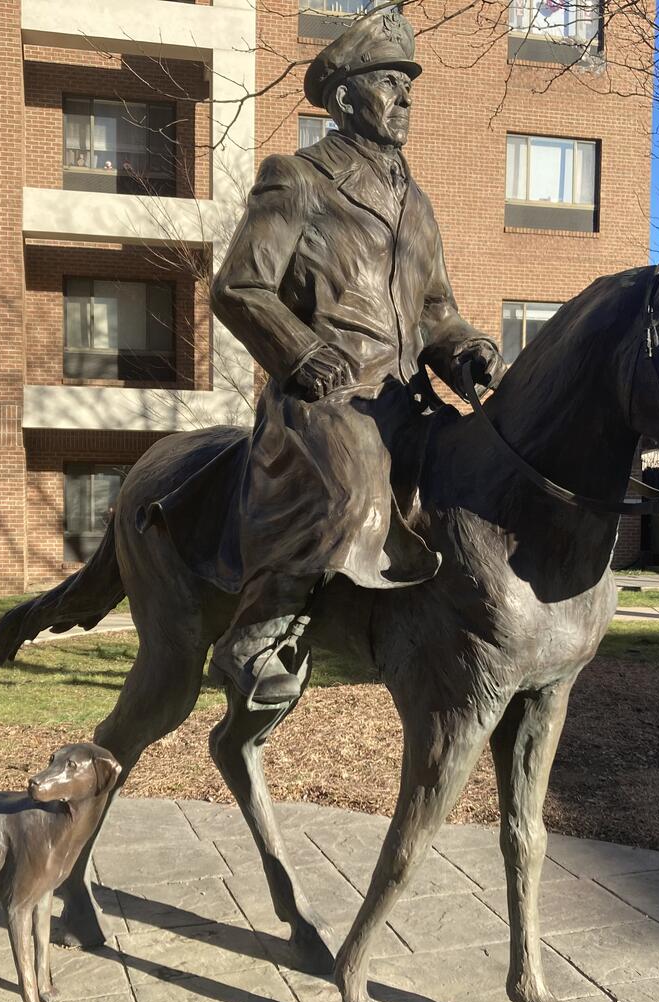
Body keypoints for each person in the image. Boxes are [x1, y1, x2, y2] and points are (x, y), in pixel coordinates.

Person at [192, 11, 505, 706]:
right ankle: (258, 631)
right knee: (353, 471)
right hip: (325, 400)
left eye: (408, 86)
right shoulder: (296, 180)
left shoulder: (416, 204)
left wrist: (469, 349)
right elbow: (239, 287)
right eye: (388, 83)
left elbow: (436, 312)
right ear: (343, 100)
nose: (405, 98)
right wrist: (301, 351)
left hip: (403, 397)